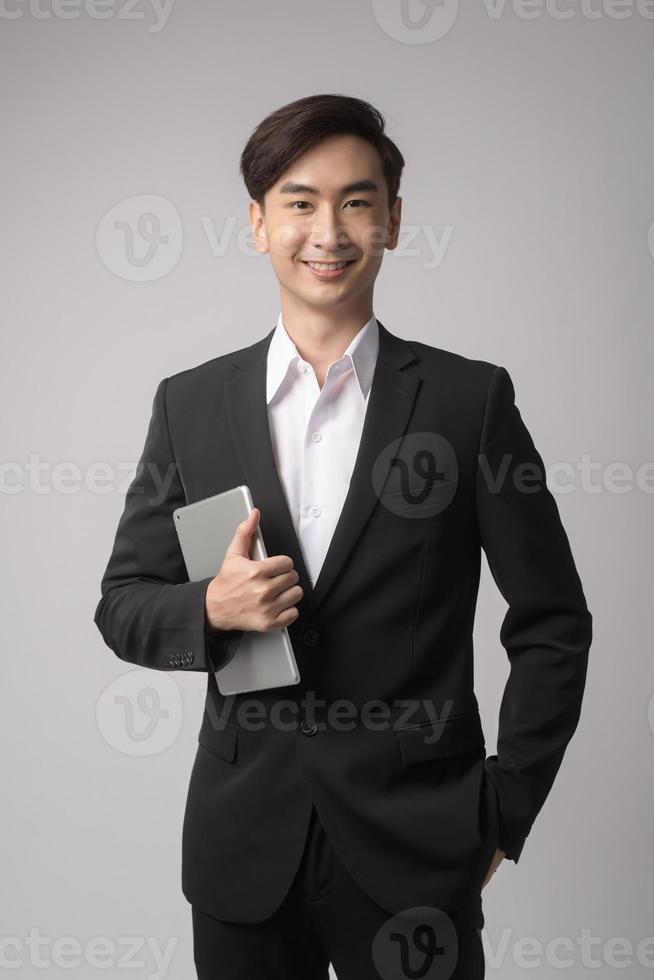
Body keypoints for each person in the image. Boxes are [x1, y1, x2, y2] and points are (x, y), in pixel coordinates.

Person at [94, 94, 592, 979]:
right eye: (299, 202)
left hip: (417, 851)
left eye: (357, 201)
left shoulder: (467, 403)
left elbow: (553, 622)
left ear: (394, 222)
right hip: (243, 849)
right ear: (257, 223)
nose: (328, 230)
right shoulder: (190, 404)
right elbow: (123, 604)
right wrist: (210, 608)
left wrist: (504, 811)